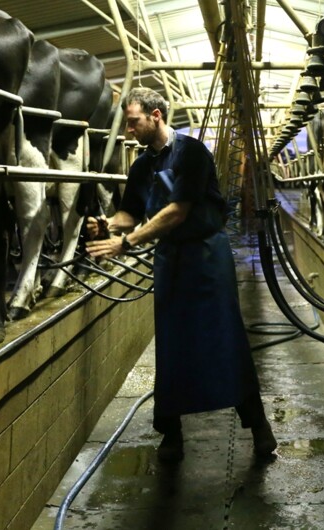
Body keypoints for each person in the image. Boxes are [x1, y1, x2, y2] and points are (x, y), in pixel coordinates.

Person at [85, 87, 276, 462]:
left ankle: (258, 425)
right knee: (172, 344)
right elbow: (130, 214)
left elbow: (177, 211)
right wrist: (107, 224)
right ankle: (170, 431)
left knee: (226, 338)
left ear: (156, 116)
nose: (129, 131)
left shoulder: (192, 152)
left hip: (206, 256)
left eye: (133, 122)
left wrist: (127, 244)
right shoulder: (141, 166)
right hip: (170, 258)